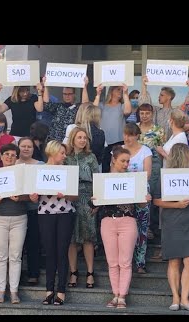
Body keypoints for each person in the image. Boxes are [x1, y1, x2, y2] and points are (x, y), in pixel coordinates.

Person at [91, 147, 151, 309]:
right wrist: (93, 201)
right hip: (108, 222)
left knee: (125, 262)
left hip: (127, 221)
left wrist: (145, 198)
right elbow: (94, 206)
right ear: (114, 160)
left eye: (127, 161)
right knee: (112, 262)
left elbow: (141, 204)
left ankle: (122, 296)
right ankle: (115, 294)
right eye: (123, 161)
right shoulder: (103, 180)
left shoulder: (133, 179)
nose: (125, 164)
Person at [153, 143, 189, 312]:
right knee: (174, 260)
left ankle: (185, 298)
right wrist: (177, 205)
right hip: (172, 219)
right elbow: (156, 201)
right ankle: (175, 297)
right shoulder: (165, 176)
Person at [31, 141, 77, 306]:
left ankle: (61, 291)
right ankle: (49, 290)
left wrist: (66, 194)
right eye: (62, 153)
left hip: (65, 213)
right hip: (45, 213)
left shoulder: (68, 171)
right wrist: (33, 197)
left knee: (61, 252)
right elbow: (33, 194)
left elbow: (75, 197)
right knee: (50, 252)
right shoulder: (39, 170)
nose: (64, 156)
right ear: (52, 152)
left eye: (65, 153)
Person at [0, 143, 29, 304]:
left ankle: (13, 291)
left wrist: (20, 198)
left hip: (19, 218)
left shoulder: (22, 174)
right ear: (1, 156)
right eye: (6, 154)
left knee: (15, 256)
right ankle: (1, 291)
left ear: (17, 157)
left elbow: (31, 196)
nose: (9, 157)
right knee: (0, 256)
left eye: (13, 155)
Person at [65, 127, 100, 289]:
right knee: (71, 238)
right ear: (72, 139)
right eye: (79, 137)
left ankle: (90, 273)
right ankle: (73, 272)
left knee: (88, 237)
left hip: (87, 198)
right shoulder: (66, 157)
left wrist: (96, 202)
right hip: (70, 198)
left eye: (85, 138)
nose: (82, 140)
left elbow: (98, 179)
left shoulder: (91, 157)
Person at [122, 123, 152, 274]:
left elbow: (148, 173)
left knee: (142, 227)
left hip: (140, 193)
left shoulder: (145, 151)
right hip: (123, 194)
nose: (127, 138)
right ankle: (126, 262)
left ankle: (140, 262)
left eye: (130, 135)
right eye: (125, 134)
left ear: (137, 136)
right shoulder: (118, 151)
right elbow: (113, 172)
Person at [16, 137, 44, 285]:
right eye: (23, 146)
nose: (26, 149)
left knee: (33, 242)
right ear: (18, 147)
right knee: (16, 245)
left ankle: (33, 273)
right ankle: (16, 275)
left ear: (33, 149)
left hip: (34, 209)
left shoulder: (41, 165)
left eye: (29, 146)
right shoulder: (12, 164)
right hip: (15, 210)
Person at [136, 103, 165, 240]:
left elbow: (161, 149)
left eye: (147, 113)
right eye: (142, 113)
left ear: (152, 114)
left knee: (151, 195)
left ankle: (150, 227)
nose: (144, 116)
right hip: (137, 166)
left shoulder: (158, 130)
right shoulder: (134, 128)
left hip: (153, 165)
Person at [37, 76, 90, 141]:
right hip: (54, 141)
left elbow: (85, 105)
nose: (67, 96)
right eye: (65, 94)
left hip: (70, 142)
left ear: (74, 94)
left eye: (69, 94)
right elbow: (46, 104)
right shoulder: (58, 106)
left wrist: (85, 86)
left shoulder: (78, 108)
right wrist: (46, 86)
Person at [94, 83, 132, 173]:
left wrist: (126, 93)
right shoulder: (102, 105)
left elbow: (128, 111)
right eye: (118, 89)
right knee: (105, 169)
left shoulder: (121, 106)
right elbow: (93, 110)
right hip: (104, 143)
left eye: (121, 89)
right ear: (112, 91)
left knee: (118, 169)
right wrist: (98, 94)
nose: (120, 91)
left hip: (118, 143)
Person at [138, 75, 175, 140]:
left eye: (162, 95)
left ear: (169, 97)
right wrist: (144, 85)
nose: (159, 97)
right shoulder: (156, 110)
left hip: (169, 145)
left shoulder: (175, 112)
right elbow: (144, 103)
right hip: (155, 143)